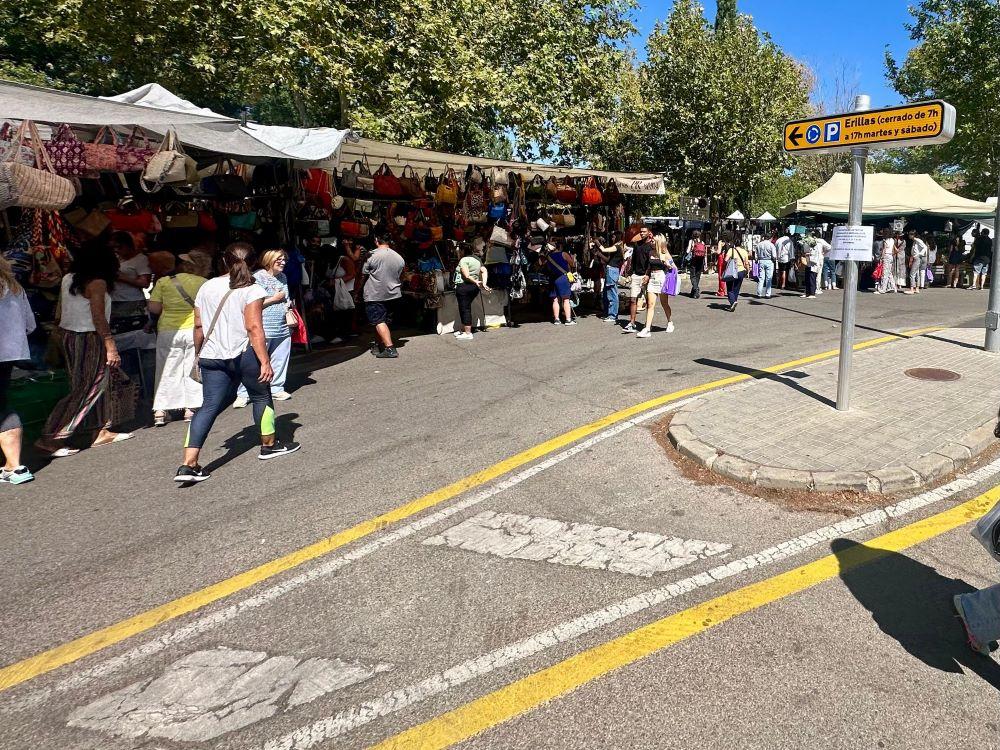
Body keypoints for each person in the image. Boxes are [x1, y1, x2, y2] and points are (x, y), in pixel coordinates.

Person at [174, 243, 299, 484]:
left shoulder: (206, 286)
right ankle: (269, 445)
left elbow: (198, 326)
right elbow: (254, 328)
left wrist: (199, 353)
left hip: (212, 355)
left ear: (224, 260)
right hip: (244, 354)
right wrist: (265, 360)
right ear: (253, 262)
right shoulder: (251, 289)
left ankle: (188, 464)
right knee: (262, 396)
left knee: (208, 406)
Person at [37, 243, 133, 457]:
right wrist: (110, 346)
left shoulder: (69, 277)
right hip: (90, 337)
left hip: (70, 336)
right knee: (89, 386)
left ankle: (99, 431)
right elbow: (98, 317)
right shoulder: (97, 282)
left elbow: (61, 311)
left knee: (90, 385)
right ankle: (52, 436)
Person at [147, 251, 207, 426]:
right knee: (192, 367)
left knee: (167, 370)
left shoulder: (163, 282)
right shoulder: (202, 283)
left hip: (168, 332)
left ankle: (161, 410)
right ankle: (191, 408)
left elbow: (155, 308)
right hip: (193, 330)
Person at [234, 249, 293, 406]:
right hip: (263, 325)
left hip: (282, 325)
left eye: (284, 259)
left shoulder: (283, 277)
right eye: (279, 259)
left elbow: (285, 297)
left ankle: (276, 388)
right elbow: (253, 304)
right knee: (254, 361)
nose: (283, 262)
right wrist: (275, 298)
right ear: (269, 260)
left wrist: (287, 303)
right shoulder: (257, 277)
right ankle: (244, 393)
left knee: (280, 359)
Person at [108, 231, 155, 407]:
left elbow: (144, 282)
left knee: (143, 350)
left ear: (128, 245)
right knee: (124, 353)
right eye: (114, 248)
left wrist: (120, 277)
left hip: (134, 308)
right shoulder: (116, 260)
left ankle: (148, 392)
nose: (117, 250)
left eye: (119, 247)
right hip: (116, 310)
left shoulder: (140, 260)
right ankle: (132, 393)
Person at [0, 258, 35, 484]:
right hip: (10, 354)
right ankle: (14, 465)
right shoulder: (15, 288)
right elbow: (30, 325)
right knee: (2, 404)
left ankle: (13, 465)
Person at [362, 234, 406, 357]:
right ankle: (378, 344)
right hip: (393, 294)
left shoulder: (371, 255)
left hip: (375, 293)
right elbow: (402, 276)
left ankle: (390, 348)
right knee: (382, 321)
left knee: (379, 320)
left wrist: (357, 291)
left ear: (376, 241)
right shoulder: (398, 257)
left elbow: (362, 275)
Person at [635, 233, 676, 338]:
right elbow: (649, 266)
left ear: (659, 242)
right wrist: (646, 275)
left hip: (662, 279)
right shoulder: (650, 252)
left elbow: (674, 267)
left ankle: (670, 322)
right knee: (650, 304)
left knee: (664, 303)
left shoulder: (664, 253)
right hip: (652, 279)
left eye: (653, 240)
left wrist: (668, 264)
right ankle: (647, 328)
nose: (651, 241)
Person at [454, 244, 490, 340]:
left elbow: (466, 275)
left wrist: (476, 281)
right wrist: (484, 283)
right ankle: (463, 330)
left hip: (464, 287)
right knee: (465, 307)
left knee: (465, 308)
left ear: (462, 251)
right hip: (474, 288)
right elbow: (484, 270)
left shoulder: (463, 260)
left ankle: (468, 333)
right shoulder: (477, 259)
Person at [543, 242, 578, 326]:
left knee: (555, 299)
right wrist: (574, 258)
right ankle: (568, 319)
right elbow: (572, 264)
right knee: (566, 299)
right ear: (559, 247)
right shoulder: (563, 254)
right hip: (562, 278)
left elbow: (546, 268)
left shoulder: (548, 257)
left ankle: (556, 319)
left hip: (552, 279)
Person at [594, 233, 625, 322]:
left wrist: (597, 242)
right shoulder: (618, 247)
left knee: (612, 293)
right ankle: (608, 313)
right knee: (607, 292)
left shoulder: (617, 247)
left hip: (612, 270)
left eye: (613, 236)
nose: (612, 238)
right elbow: (608, 260)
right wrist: (599, 254)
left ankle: (612, 315)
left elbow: (604, 249)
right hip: (611, 270)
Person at [721, 237, 751, 312]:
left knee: (730, 289)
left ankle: (733, 302)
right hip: (741, 272)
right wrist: (747, 271)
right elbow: (746, 263)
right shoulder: (744, 251)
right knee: (736, 288)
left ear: (734, 243)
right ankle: (733, 302)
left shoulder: (731, 250)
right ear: (741, 243)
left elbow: (725, 260)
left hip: (732, 271)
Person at [754, 231, 777, 298]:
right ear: (770, 238)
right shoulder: (771, 245)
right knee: (768, 278)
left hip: (761, 261)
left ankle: (759, 293)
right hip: (769, 261)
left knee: (761, 278)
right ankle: (768, 294)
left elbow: (756, 255)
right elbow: (774, 256)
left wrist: (756, 260)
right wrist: (774, 260)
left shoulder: (759, 244)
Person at [875, 227, 899, 294]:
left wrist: (881, 258)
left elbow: (884, 250)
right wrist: (892, 254)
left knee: (885, 273)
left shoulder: (885, 241)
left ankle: (883, 289)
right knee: (889, 273)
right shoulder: (892, 240)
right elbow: (896, 250)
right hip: (891, 256)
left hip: (886, 256)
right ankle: (894, 288)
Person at [905, 230, 929, 295]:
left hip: (917, 258)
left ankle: (912, 288)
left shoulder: (917, 240)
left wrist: (919, 254)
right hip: (916, 258)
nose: (909, 236)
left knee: (912, 274)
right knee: (916, 273)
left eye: (910, 234)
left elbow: (925, 247)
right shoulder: (915, 241)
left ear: (913, 235)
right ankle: (917, 288)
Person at [687, 230, 708, 299]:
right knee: (697, 275)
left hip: (694, 260)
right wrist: (706, 264)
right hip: (701, 260)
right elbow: (705, 254)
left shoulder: (692, 241)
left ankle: (696, 289)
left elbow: (687, 251)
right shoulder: (702, 242)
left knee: (692, 276)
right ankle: (693, 292)